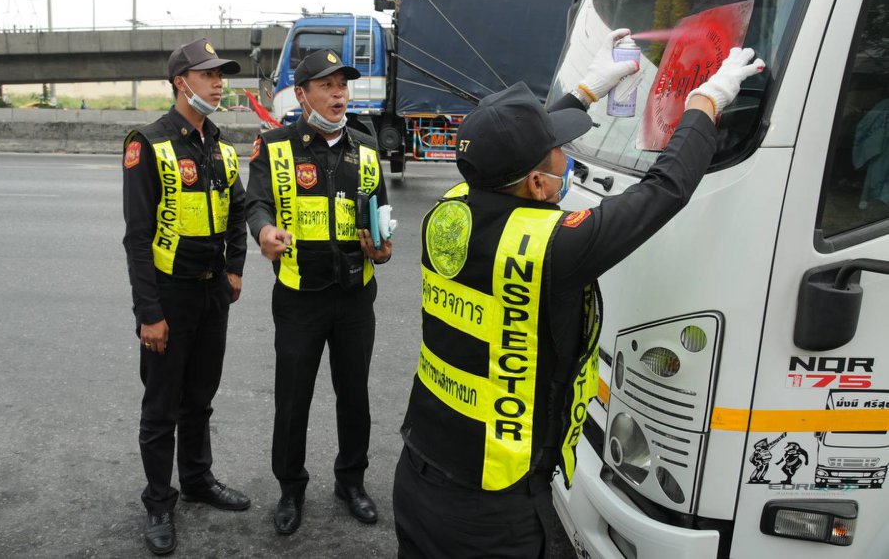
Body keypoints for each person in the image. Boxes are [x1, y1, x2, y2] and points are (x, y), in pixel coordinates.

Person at [393, 30, 765, 558]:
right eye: (560, 151)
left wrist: (588, 90)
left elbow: (514, 150)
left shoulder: (451, 208)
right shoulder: (548, 249)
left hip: (417, 473)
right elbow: (664, 190)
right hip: (489, 509)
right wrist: (705, 102)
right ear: (539, 186)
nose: (567, 158)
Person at [245, 49, 393, 535]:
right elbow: (258, 204)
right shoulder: (274, 146)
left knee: (354, 396)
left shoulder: (366, 149)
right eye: (327, 86)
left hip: (354, 296)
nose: (338, 95)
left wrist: (382, 248)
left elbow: (380, 219)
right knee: (293, 399)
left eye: (343, 86)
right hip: (299, 296)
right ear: (303, 93)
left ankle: (351, 481)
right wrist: (264, 232)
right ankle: (291, 488)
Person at [122, 38, 251, 555]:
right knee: (162, 408)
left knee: (199, 399)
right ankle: (159, 501)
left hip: (211, 295)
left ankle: (198, 481)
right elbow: (136, 238)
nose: (219, 82)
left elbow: (238, 211)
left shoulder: (219, 145)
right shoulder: (148, 144)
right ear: (182, 82)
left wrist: (235, 269)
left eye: (221, 74)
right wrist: (148, 314)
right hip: (169, 298)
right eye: (208, 74)